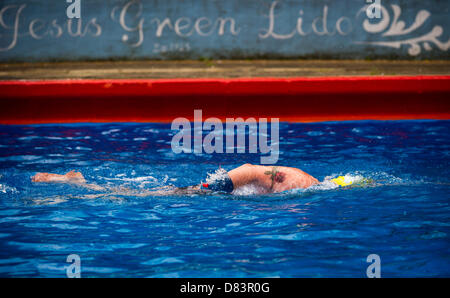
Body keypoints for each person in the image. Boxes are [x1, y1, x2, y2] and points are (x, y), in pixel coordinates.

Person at [31, 164, 321, 195]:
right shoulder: (303, 184)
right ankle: (75, 184)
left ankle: (78, 183)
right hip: (233, 181)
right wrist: (214, 187)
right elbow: (253, 169)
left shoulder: (308, 182)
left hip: (236, 182)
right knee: (155, 195)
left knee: (161, 192)